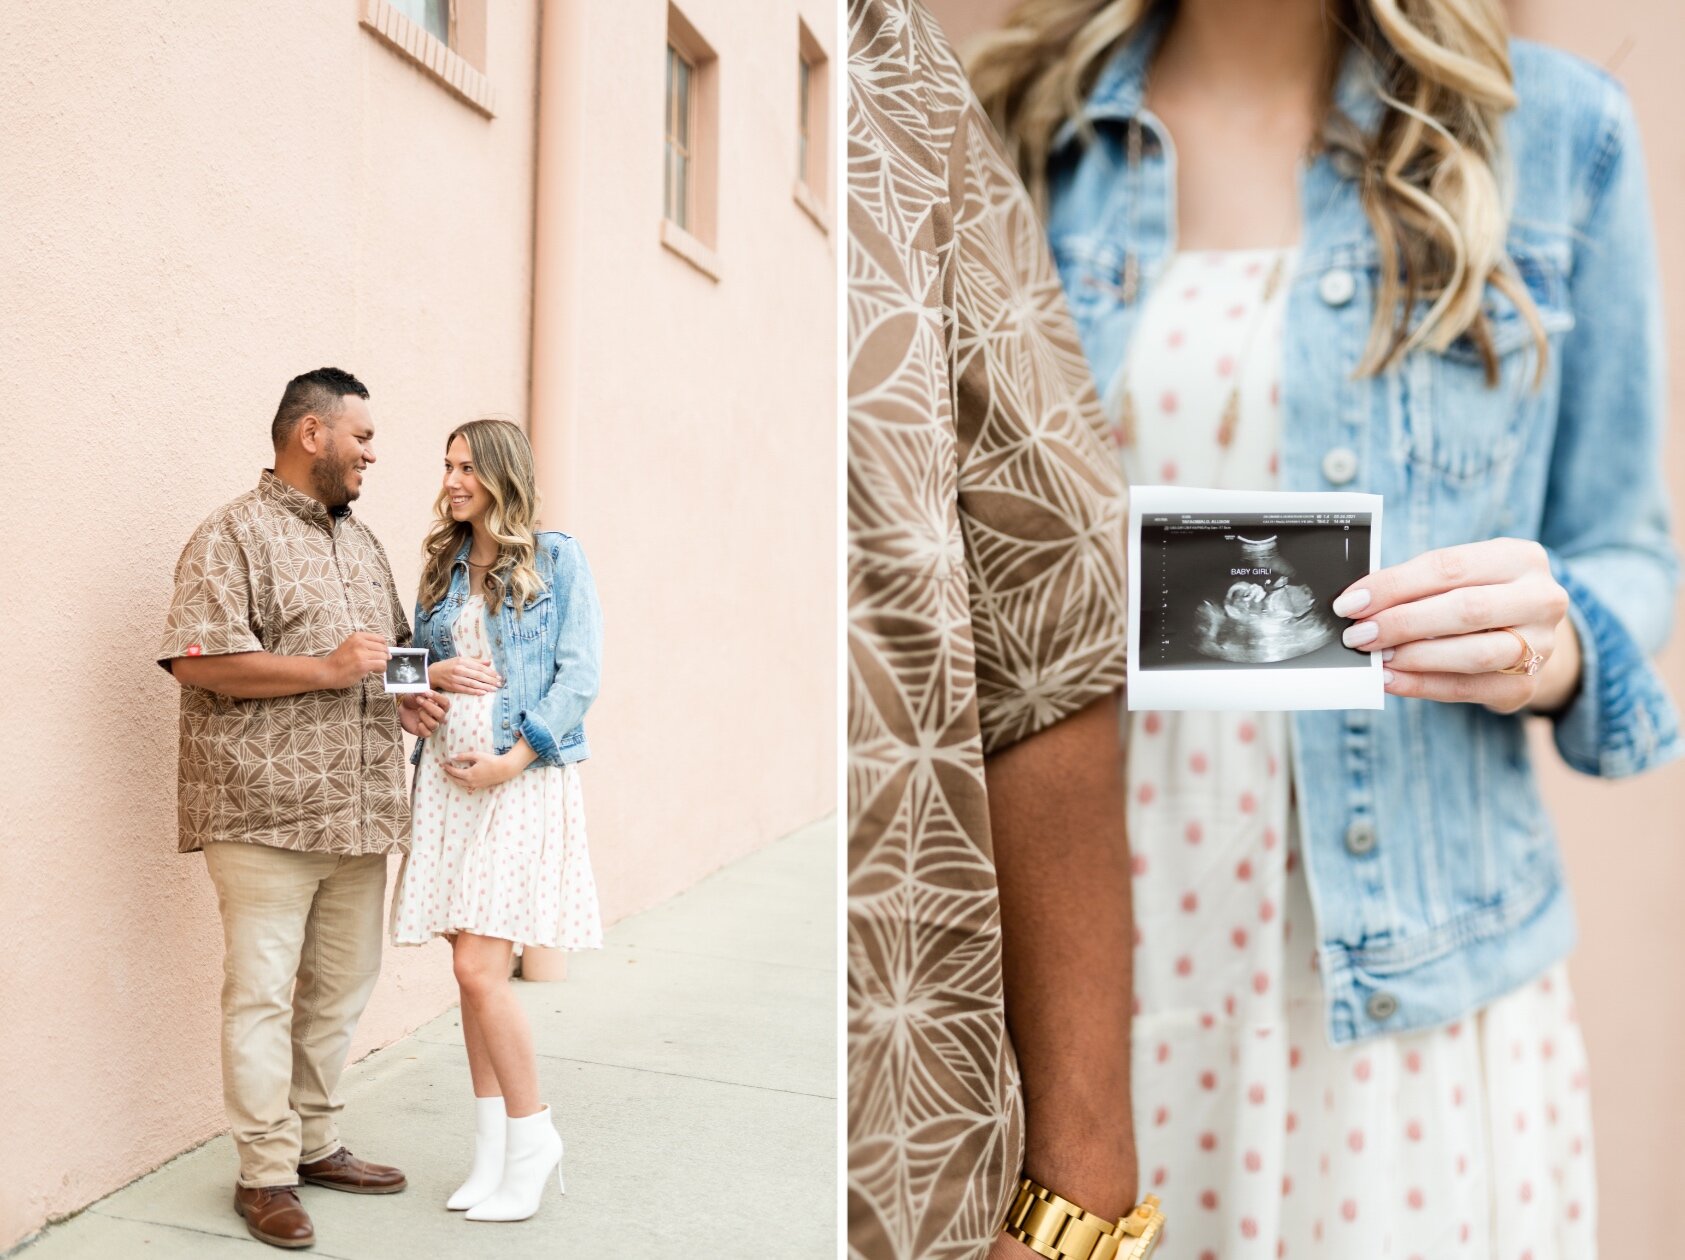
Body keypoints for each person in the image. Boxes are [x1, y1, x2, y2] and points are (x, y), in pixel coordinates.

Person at [970, 0, 1681, 1253]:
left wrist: (1548, 641)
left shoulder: (1557, 135)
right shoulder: (1014, 130)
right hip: (1079, 973)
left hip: (1407, 990)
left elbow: (1624, 550)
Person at [847, 3, 1163, 1258]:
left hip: (1349, 908)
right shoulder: (1019, 98)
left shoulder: (898, 78)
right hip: (995, 977)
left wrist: (1081, 1205)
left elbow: (1049, 604)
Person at [158, 367, 448, 1251]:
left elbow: (390, 651)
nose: (372, 455)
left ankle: (317, 1142)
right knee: (259, 998)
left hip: (360, 810)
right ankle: (265, 1173)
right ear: (311, 434)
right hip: (263, 815)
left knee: (337, 995)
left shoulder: (361, 542)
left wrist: (411, 696)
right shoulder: (230, 535)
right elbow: (197, 659)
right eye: (360, 438)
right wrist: (325, 668)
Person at [389, 417, 603, 1223]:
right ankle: (491, 1153)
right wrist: (415, 692)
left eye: (467, 467)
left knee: (484, 970)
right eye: (446, 464)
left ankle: (533, 1134)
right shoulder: (442, 564)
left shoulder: (556, 558)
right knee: (465, 975)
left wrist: (514, 759)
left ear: (501, 475)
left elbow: (581, 674)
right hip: (445, 788)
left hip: (518, 782)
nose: (452, 479)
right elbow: (406, 661)